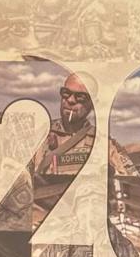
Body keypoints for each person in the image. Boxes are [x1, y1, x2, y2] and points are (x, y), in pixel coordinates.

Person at [32, 74, 96, 223]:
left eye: (80, 97)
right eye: (66, 93)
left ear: (93, 103)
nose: (71, 100)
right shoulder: (38, 134)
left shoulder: (104, 144)